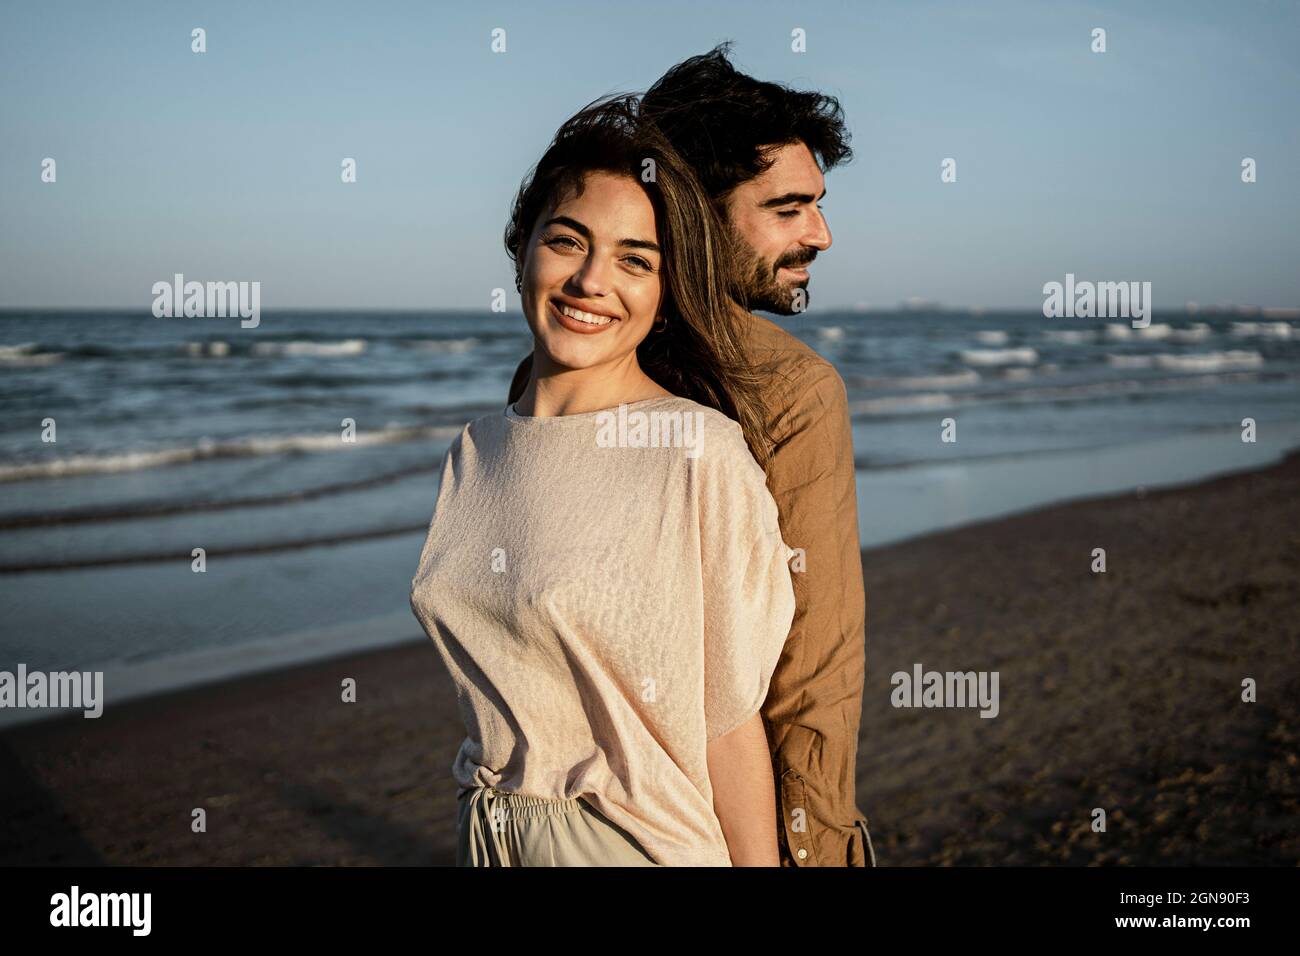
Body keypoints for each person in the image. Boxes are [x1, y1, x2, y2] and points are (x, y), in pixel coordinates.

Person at [507, 45, 874, 867]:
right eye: (787, 209)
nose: (820, 233)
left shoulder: (557, 368)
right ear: (694, 214)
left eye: (816, 204)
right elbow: (815, 675)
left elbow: (800, 665)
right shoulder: (789, 390)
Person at [410, 95, 798, 866]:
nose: (592, 281)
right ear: (522, 249)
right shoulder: (477, 450)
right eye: (566, 241)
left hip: (632, 846)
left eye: (634, 260)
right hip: (485, 834)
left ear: (662, 295)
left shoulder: (698, 453)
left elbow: (728, 721)